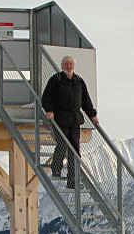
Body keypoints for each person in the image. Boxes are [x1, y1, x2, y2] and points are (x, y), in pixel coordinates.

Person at [41, 55, 98, 188]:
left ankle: (72, 181)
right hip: (60, 119)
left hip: (74, 120)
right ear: (62, 66)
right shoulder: (56, 80)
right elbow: (46, 97)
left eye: (71, 64)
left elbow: (86, 101)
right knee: (62, 144)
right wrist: (49, 110)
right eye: (66, 64)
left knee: (75, 151)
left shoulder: (79, 81)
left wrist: (92, 115)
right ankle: (56, 168)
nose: (69, 66)